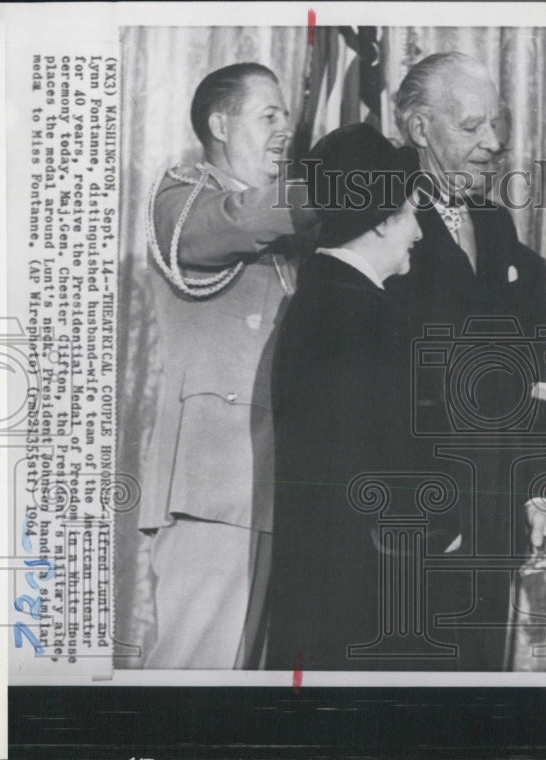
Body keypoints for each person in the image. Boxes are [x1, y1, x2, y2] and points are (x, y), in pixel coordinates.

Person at [386, 52, 546, 671]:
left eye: (497, 125)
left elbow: (532, 375)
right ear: (418, 128)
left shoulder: (496, 223)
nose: (493, 144)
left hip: (495, 531)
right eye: (471, 127)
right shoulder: (376, 225)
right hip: (406, 537)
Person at [140, 62, 315, 669]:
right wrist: (343, 183)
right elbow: (239, 220)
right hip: (212, 490)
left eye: (286, 117)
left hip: (275, 486)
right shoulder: (180, 201)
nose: (284, 130)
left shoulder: (290, 235)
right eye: (269, 115)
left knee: (239, 695)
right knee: (190, 678)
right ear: (219, 123)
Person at [265, 123, 431, 670]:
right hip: (363, 595)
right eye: (410, 215)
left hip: (312, 590)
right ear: (384, 222)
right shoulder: (373, 314)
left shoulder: (317, 296)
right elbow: (390, 466)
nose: (419, 233)